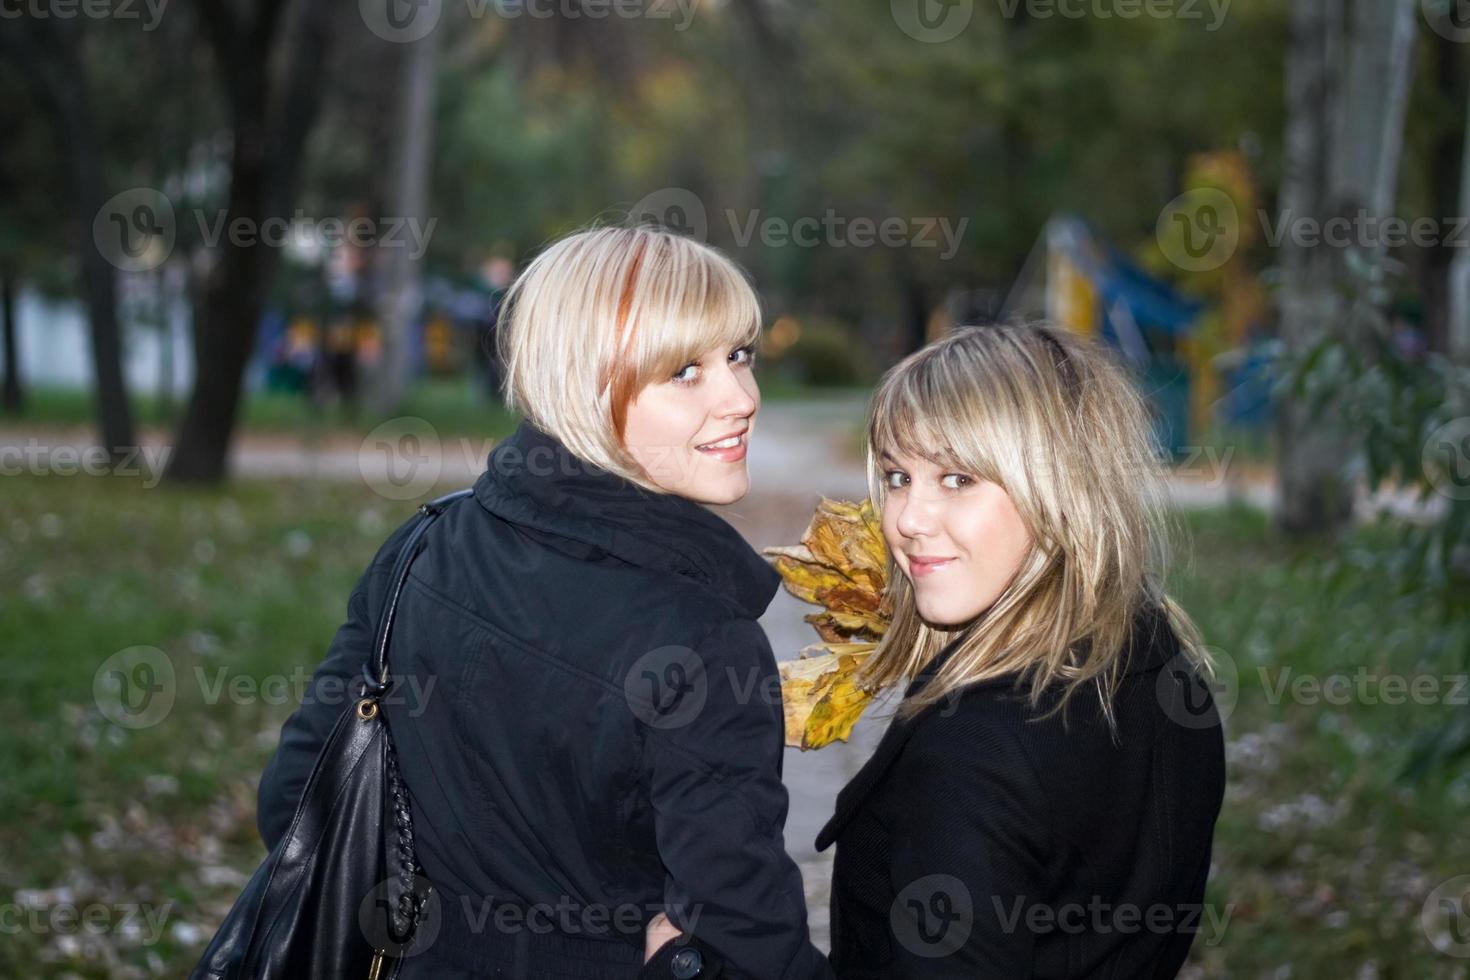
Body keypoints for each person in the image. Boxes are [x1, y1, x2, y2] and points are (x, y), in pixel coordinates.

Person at [256, 226, 832, 980]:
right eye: (687, 371)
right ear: (584, 384)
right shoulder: (700, 645)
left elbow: (292, 803)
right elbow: (750, 950)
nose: (743, 398)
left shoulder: (425, 545)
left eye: (740, 355)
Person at [818, 322, 1226, 978]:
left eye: (956, 479)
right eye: (897, 476)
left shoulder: (974, 754)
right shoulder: (1160, 658)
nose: (908, 520)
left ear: (1060, 485)